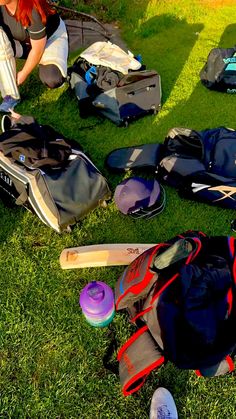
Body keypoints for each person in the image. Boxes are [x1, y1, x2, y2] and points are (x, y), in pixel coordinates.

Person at [0, 0, 68, 112]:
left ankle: (55, 60)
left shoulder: (31, 8)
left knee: (52, 79)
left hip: (49, 40)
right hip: (23, 42)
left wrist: (23, 74)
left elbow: (37, 49)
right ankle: (11, 96)